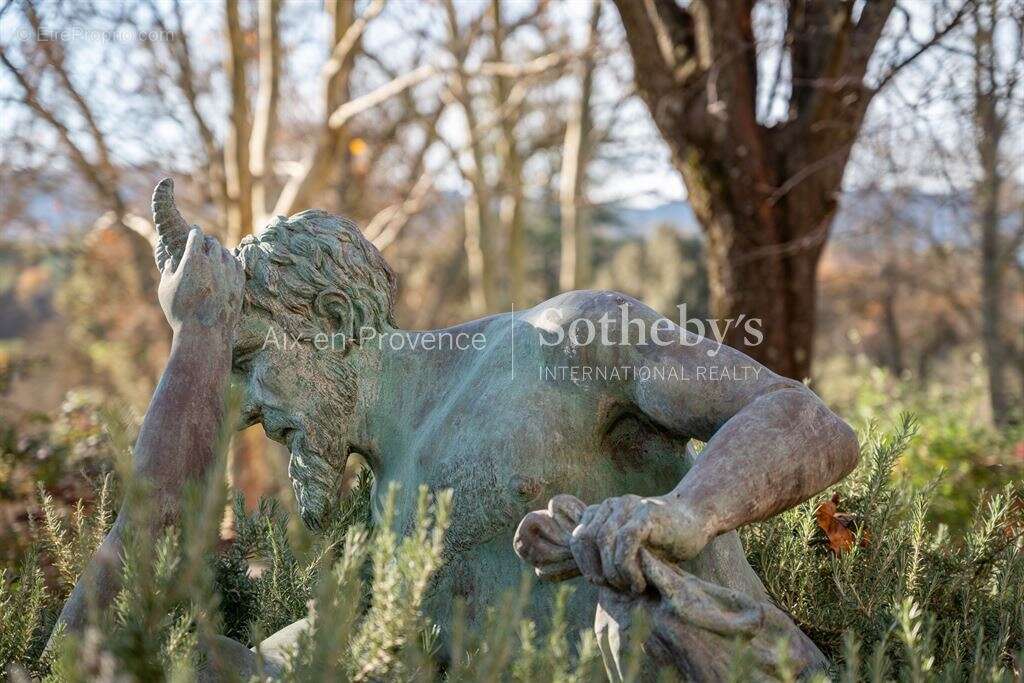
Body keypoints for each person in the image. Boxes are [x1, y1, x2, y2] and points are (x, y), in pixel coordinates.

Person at [55, 179, 859, 675]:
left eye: (252, 359)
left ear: (333, 318)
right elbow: (124, 619)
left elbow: (804, 419)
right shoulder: (386, 536)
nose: (251, 411)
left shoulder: (558, 343)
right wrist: (199, 338)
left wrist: (685, 512)